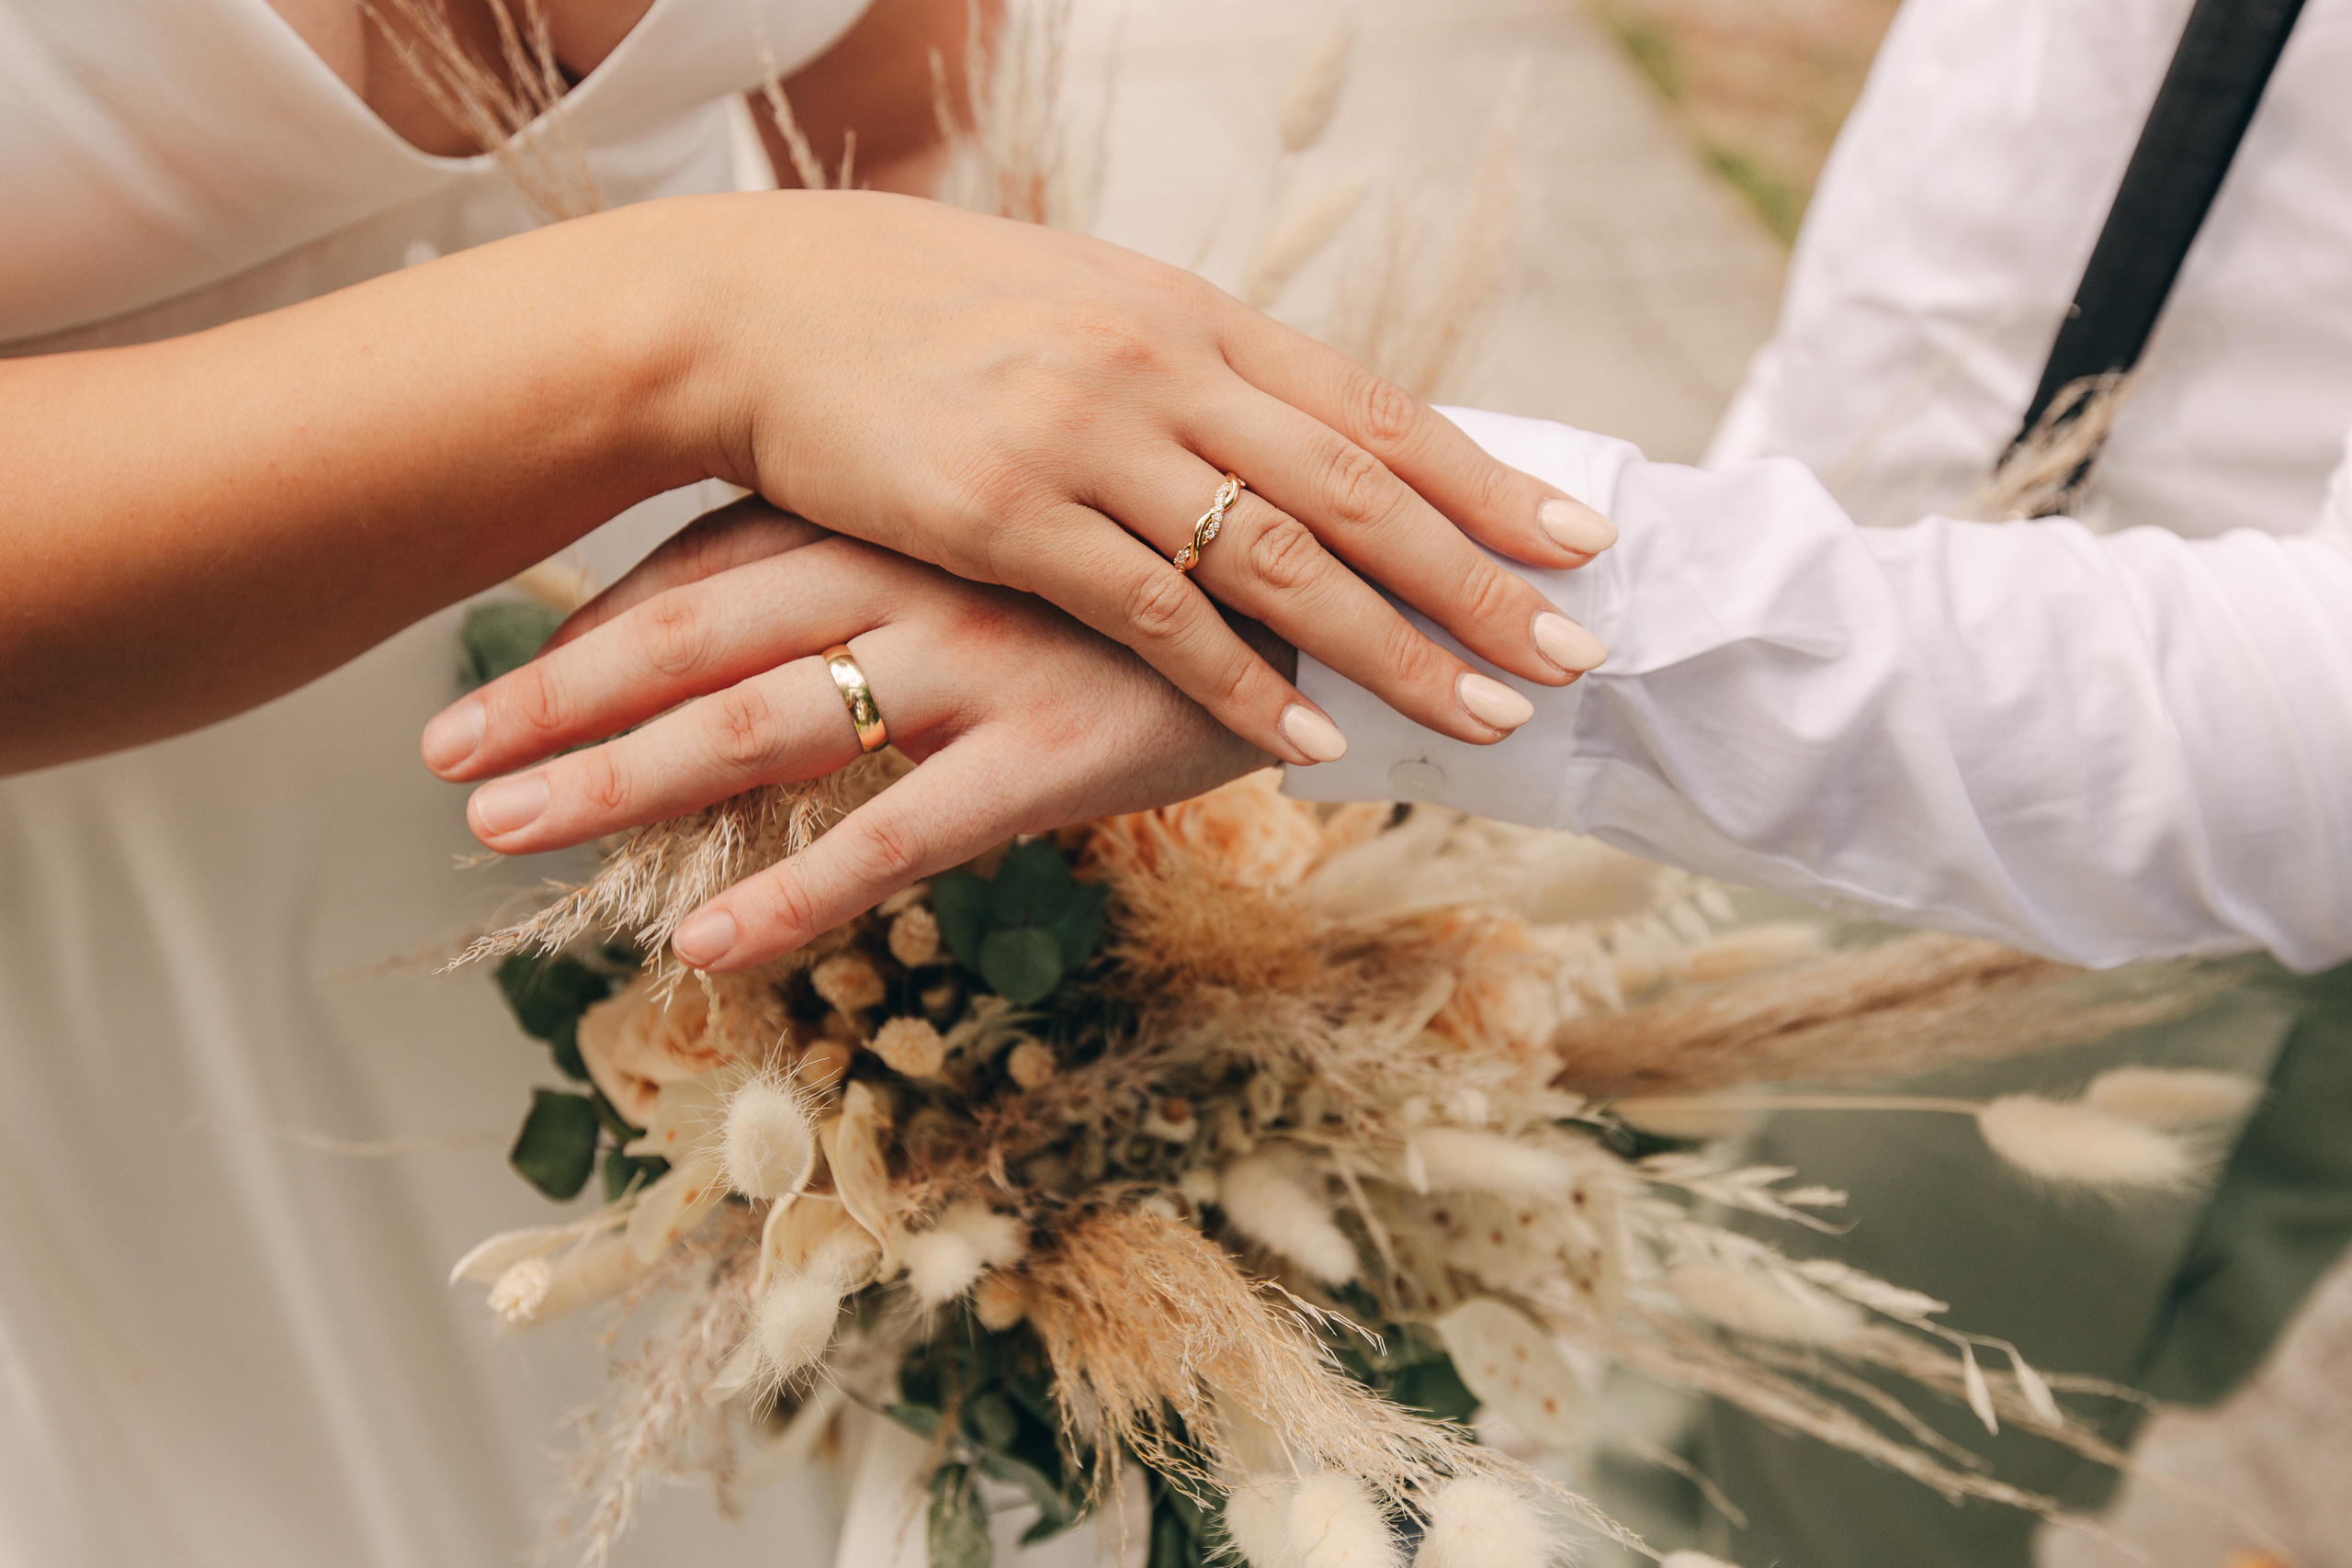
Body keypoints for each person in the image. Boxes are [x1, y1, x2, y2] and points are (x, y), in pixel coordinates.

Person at [0, 1, 1614, 1562]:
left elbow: (895, 98)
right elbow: (748, 293)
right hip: (121, 914)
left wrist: (992, 557)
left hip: (806, 937)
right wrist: (703, 323)